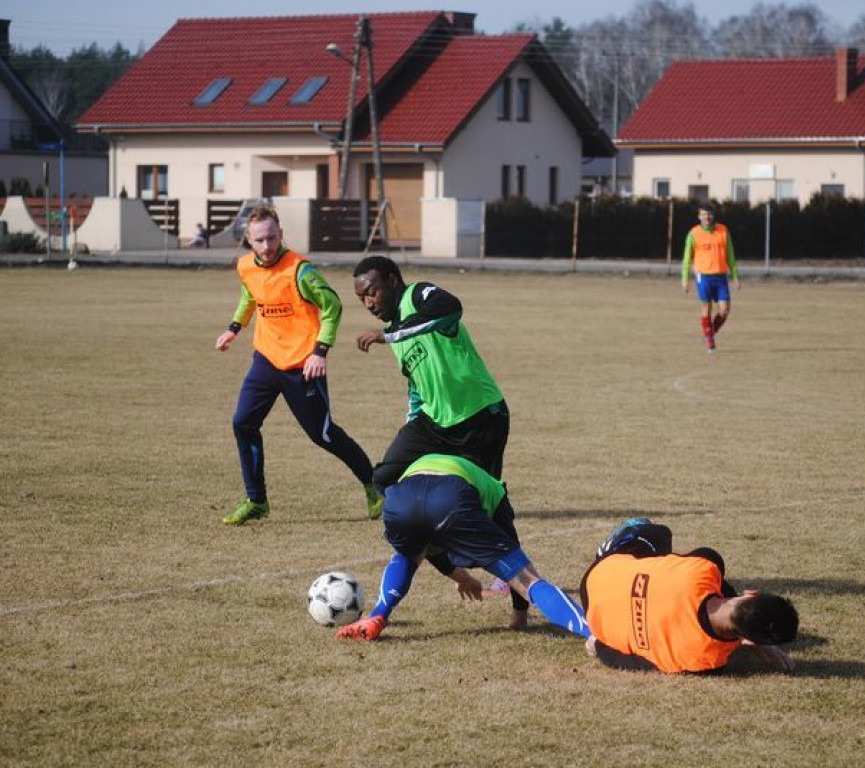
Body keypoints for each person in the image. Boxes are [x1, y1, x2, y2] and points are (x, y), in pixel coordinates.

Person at [352, 256, 528, 623]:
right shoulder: (399, 331)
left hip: (482, 417)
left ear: (393, 280)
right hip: (434, 424)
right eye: (362, 299)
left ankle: (518, 599)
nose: (369, 303)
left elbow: (451, 308)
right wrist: (411, 428)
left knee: (491, 506)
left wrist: (389, 336)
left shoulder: (417, 296)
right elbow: (417, 389)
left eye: (373, 292)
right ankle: (447, 563)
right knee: (386, 478)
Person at [214, 205, 382, 524]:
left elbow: (332, 305)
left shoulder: (299, 271)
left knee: (324, 435)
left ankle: (374, 487)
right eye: (259, 240)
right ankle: (256, 500)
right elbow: (249, 297)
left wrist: (319, 351)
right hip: (265, 358)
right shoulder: (246, 267)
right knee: (243, 423)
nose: (267, 246)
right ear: (248, 240)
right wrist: (233, 328)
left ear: (281, 234)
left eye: (272, 238)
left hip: (302, 364)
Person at [334, 454, 590, 642]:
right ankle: (595, 634)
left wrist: (460, 576)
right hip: (450, 497)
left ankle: (378, 614)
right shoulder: (495, 490)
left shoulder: (432, 464)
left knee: (407, 555)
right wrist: (520, 615)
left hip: (400, 499)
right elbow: (511, 549)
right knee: (528, 579)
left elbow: (428, 544)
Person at [580, 518, 798, 674]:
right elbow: (631, 663)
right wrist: (598, 646)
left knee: (658, 532)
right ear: (748, 638)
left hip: (604, 571)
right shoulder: (705, 660)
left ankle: (621, 540)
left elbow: (706, 567)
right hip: (596, 617)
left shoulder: (705, 569)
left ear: (752, 593)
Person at [681, 204, 739, 351]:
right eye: (704, 214)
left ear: (714, 215)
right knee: (706, 307)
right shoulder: (693, 234)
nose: (707, 217)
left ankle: (710, 332)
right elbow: (687, 259)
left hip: (721, 276)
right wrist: (685, 279)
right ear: (699, 216)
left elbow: (730, 255)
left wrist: (735, 275)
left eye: (710, 214)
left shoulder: (723, 231)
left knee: (724, 310)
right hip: (703, 276)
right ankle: (710, 341)